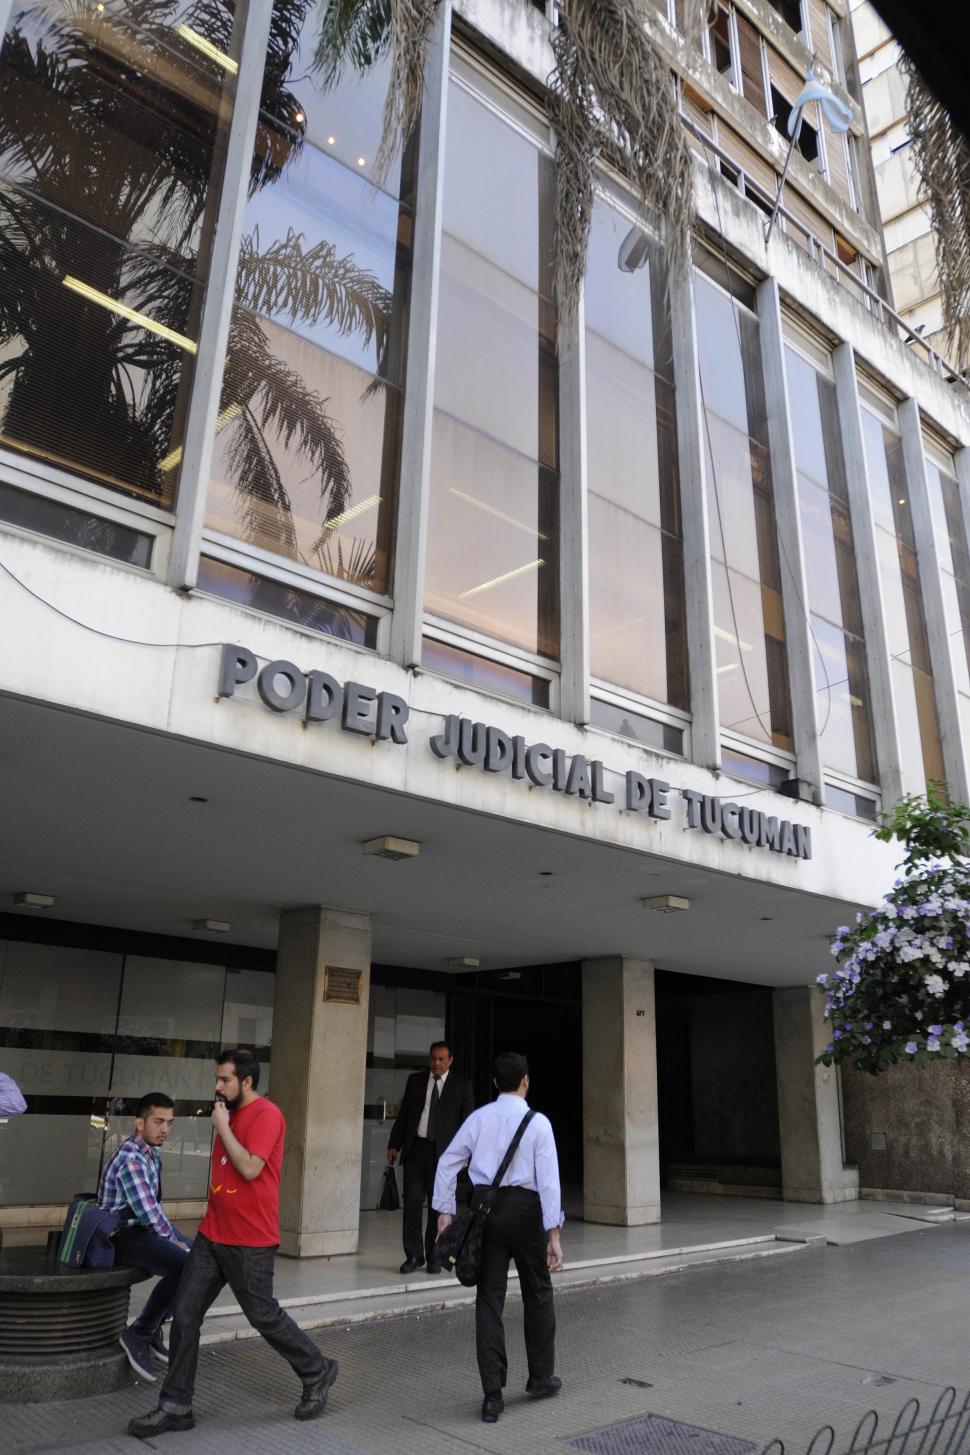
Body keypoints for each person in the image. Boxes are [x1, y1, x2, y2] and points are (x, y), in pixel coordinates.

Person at [127, 1048, 337, 1440]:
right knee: (185, 1315)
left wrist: (223, 1127)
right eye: (217, 1079)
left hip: (250, 1239)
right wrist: (225, 1123)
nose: (218, 1086)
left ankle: (316, 1369)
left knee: (263, 1315)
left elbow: (251, 1168)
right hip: (213, 1234)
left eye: (225, 1079)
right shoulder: (229, 1113)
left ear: (247, 1081)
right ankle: (176, 1406)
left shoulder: (266, 1115)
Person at [434, 1051, 564, 1424]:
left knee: (489, 1299)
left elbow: (447, 1162)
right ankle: (540, 1378)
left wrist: (445, 1211)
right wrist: (553, 1234)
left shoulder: (479, 1118)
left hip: (485, 1212)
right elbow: (549, 1183)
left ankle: (492, 1396)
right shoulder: (539, 1123)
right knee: (537, 1291)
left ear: (494, 1082)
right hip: (525, 1212)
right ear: (525, 1080)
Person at [97, 1092, 191, 1381]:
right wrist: (173, 1240)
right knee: (186, 1265)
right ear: (140, 1122)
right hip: (119, 1235)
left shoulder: (150, 1151)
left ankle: (155, 1325)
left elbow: (152, 1209)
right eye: (158, 1121)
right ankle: (140, 1333)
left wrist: (176, 1237)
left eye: (169, 1123)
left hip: (139, 1227)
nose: (165, 1129)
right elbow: (148, 1213)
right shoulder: (131, 1158)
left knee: (207, 1259)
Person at [387, 1040, 474, 1274]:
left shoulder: (462, 1086)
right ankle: (414, 1255)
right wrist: (394, 1143)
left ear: (450, 1061)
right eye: (433, 1058)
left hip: (444, 1157)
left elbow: (468, 1124)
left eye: (441, 1059)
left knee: (439, 1206)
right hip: (416, 1150)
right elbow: (405, 1115)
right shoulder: (415, 1081)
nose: (436, 1063)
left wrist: (466, 1154)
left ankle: (435, 1255)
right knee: (413, 1203)